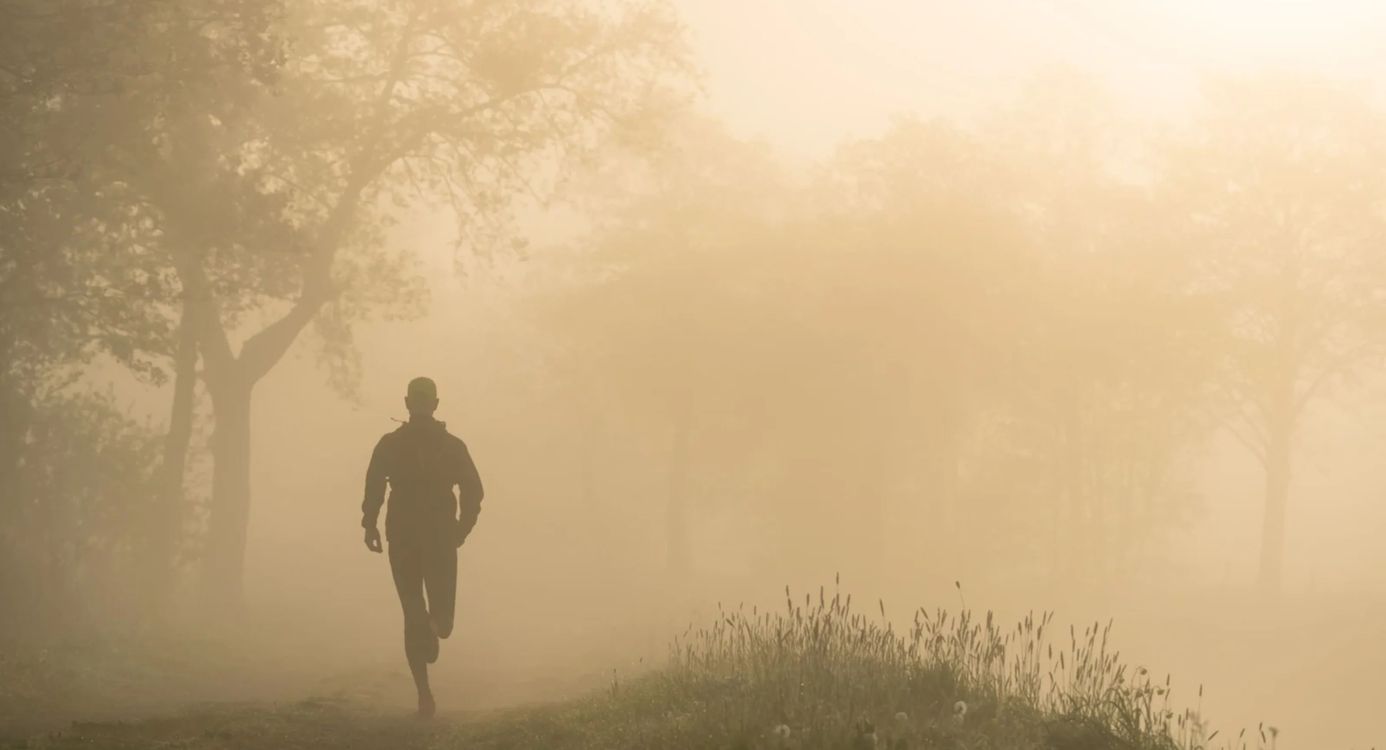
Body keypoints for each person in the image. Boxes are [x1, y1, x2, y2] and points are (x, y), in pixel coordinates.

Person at [361, 376, 485, 718]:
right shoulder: (452, 446)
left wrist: (370, 524)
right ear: (435, 404)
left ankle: (424, 692)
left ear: (407, 403)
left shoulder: (390, 444)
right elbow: (473, 491)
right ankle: (429, 633)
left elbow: (374, 487)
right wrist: (462, 528)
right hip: (440, 535)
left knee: (412, 611)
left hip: (403, 533)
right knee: (443, 620)